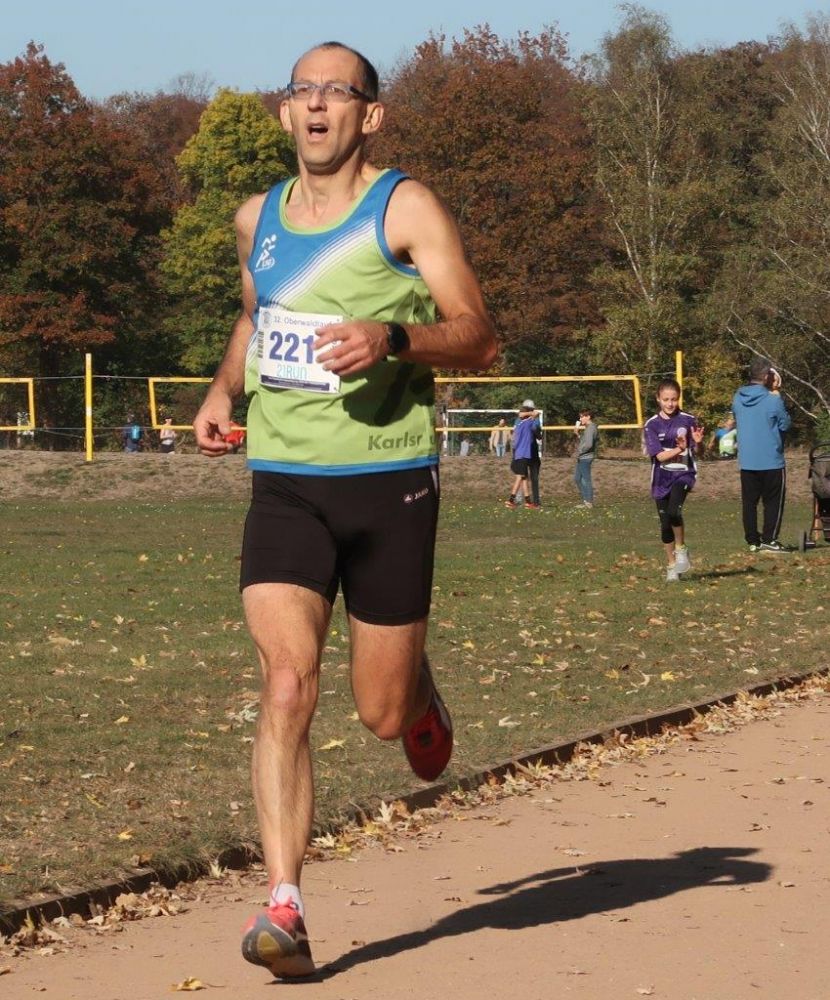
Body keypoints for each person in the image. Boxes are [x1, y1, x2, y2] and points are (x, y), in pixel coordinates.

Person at [192, 41, 497, 980]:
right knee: (286, 683)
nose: (318, 104)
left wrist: (393, 337)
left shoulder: (405, 209)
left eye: (339, 91)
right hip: (285, 481)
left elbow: (480, 337)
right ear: (285, 112)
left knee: (380, 712)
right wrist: (222, 391)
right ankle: (284, 906)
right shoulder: (256, 219)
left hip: (387, 481)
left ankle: (416, 690)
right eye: (304, 90)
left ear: (372, 115)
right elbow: (259, 315)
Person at [643, 379, 705, 582]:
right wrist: (679, 448)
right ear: (658, 399)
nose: (670, 404)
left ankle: (681, 549)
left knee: (673, 511)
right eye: (666, 400)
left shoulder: (688, 420)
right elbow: (660, 457)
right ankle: (671, 565)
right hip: (661, 477)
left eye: (674, 399)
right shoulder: (651, 425)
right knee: (664, 524)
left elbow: (699, 452)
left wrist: (698, 444)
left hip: (683, 474)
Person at [732, 358, 792, 552]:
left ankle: (752, 540)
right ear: (767, 376)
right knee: (773, 502)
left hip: (747, 461)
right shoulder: (773, 400)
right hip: (771, 460)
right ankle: (769, 539)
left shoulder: (737, 397)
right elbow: (785, 424)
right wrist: (776, 392)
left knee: (749, 503)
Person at [505, 400, 542, 509]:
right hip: (524, 454)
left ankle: (528, 502)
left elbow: (521, 415)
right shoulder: (528, 422)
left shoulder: (519, 424)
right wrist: (532, 414)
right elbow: (535, 417)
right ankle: (511, 500)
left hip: (517, 453)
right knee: (520, 477)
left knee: (524, 478)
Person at [573, 408, 598, 507]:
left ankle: (589, 501)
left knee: (586, 479)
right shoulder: (588, 428)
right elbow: (585, 442)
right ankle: (586, 500)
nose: (580, 419)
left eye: (582, 417)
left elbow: (588, 444)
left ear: (588, 417)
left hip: (585, 457)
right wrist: (577, 434)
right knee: (577, 478)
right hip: (583, 457)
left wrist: (580, 451)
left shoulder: (590, 428)